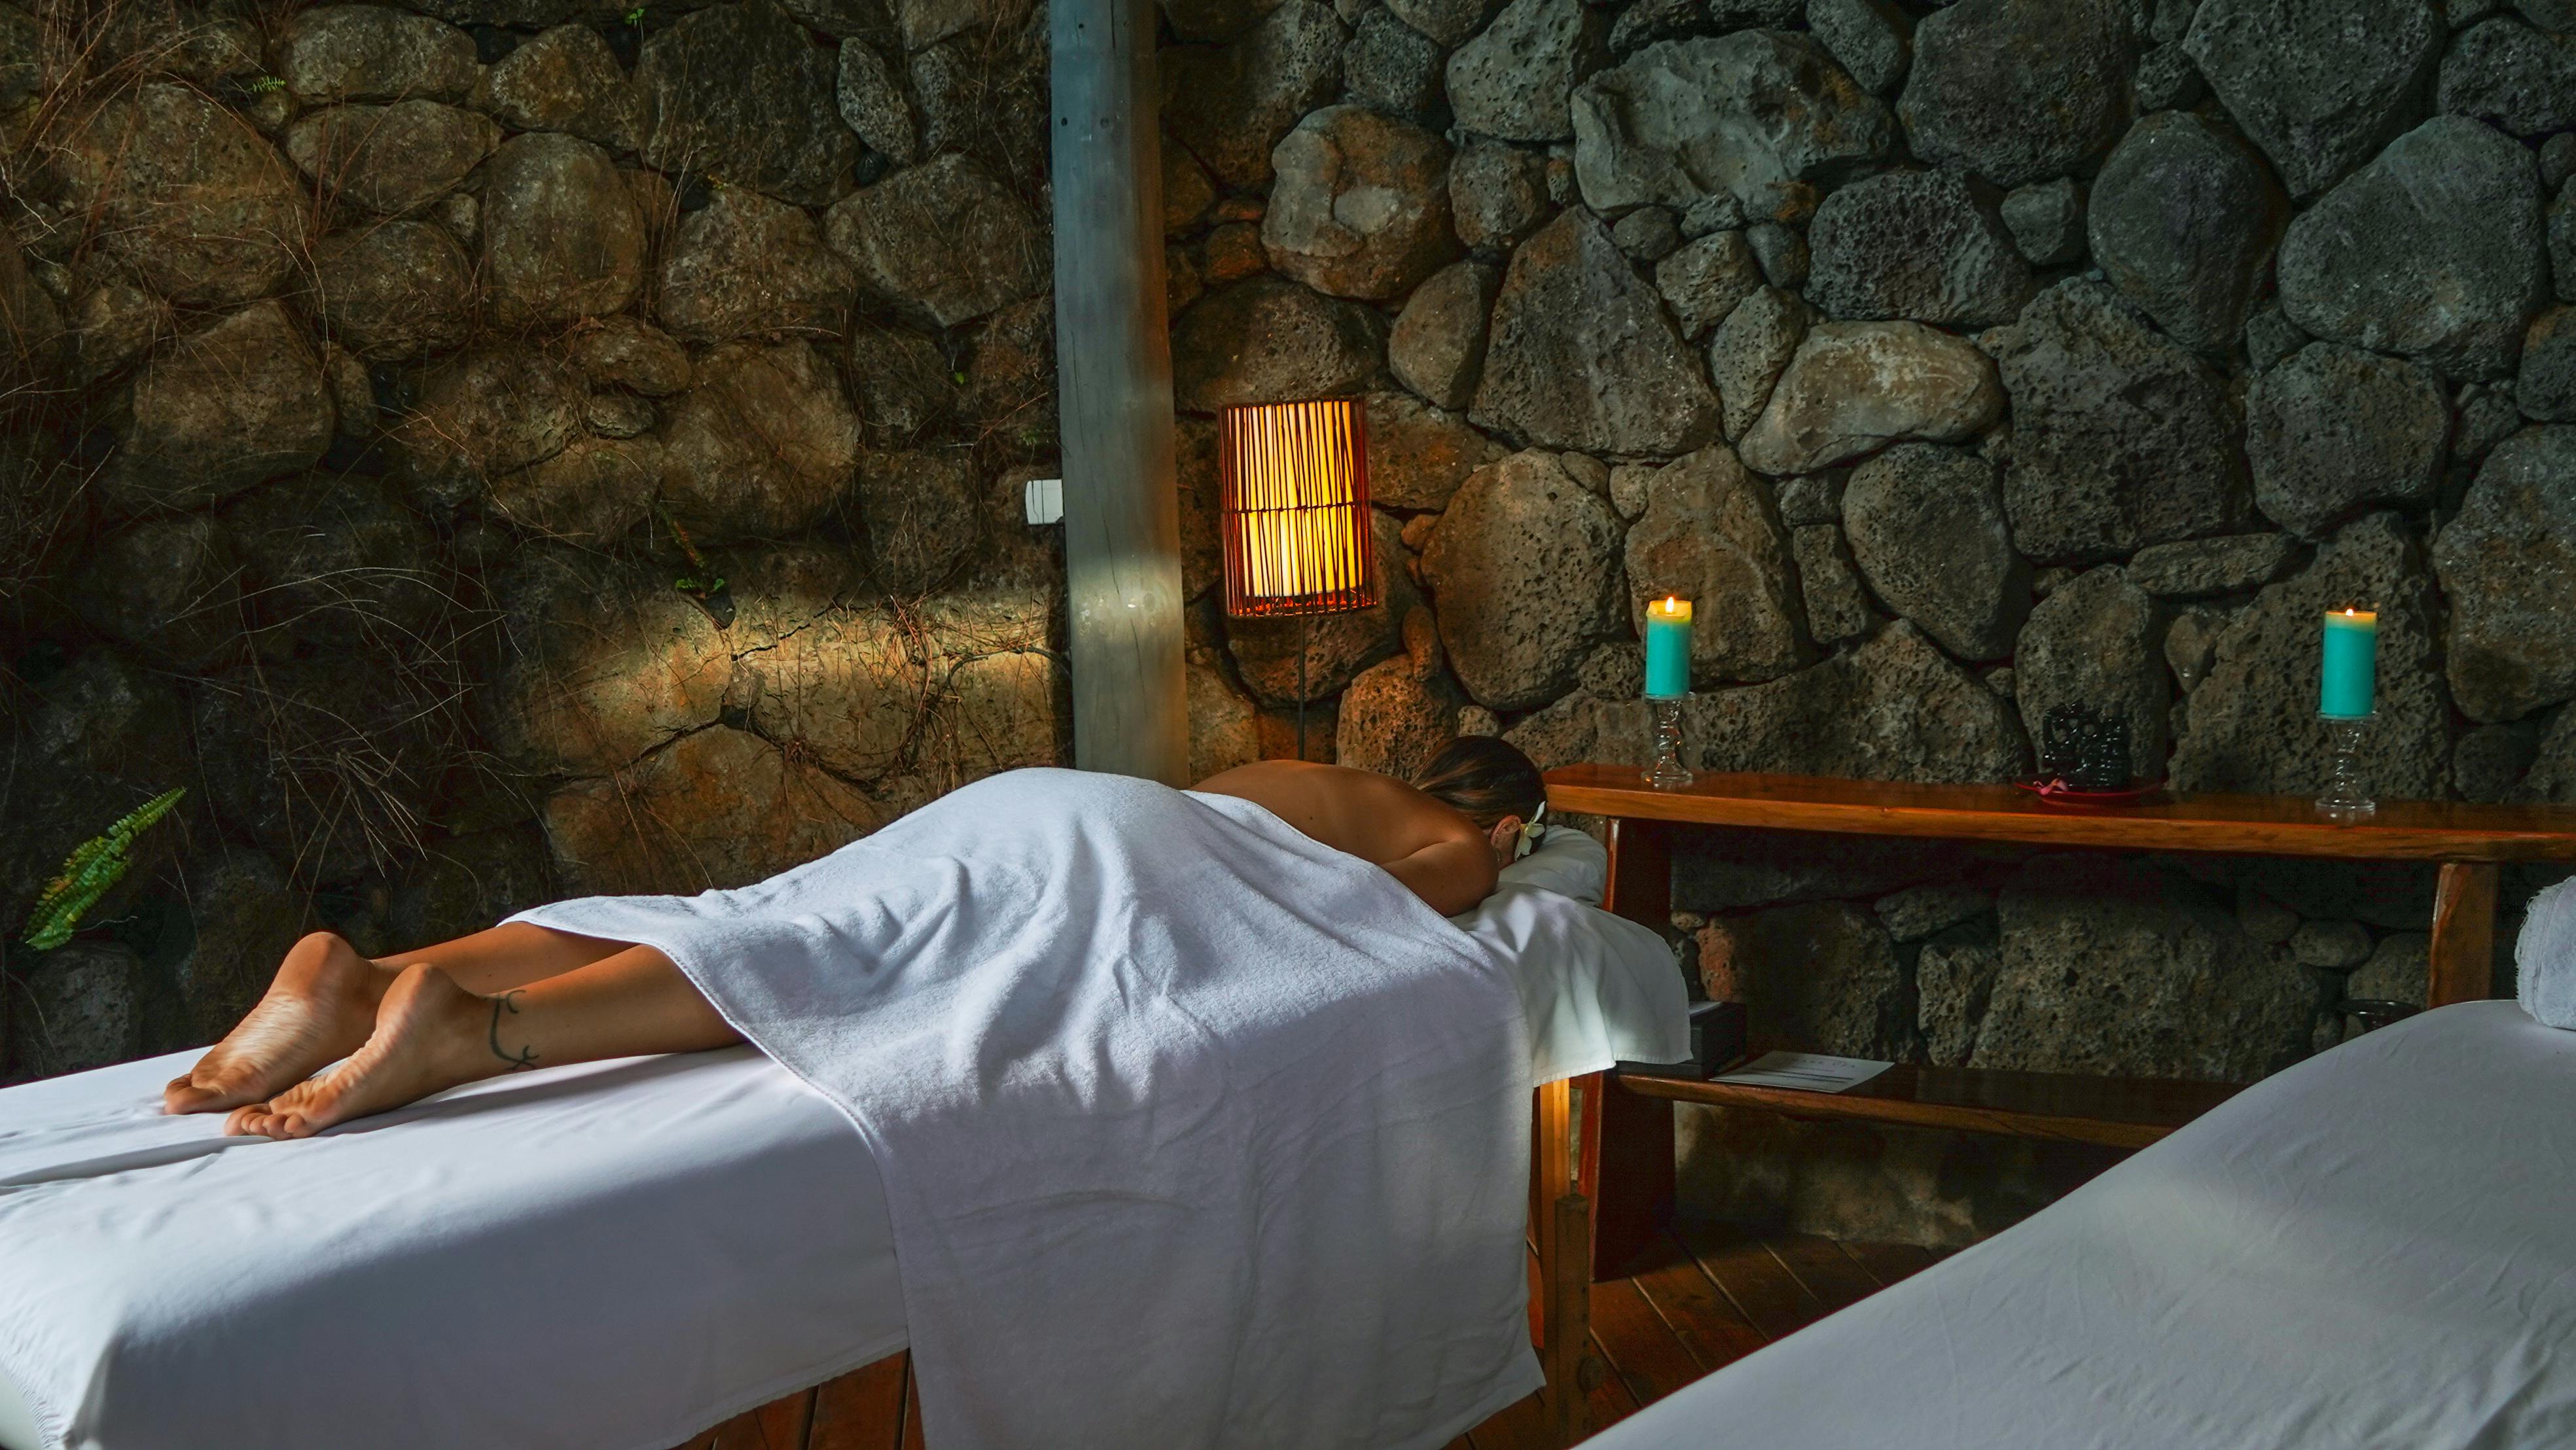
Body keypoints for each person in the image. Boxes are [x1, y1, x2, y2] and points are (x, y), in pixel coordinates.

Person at [164, 737, 1548, 1141]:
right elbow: (1409, 895)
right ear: (1504, 808)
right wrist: (1490, 859)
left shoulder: (1309, 768)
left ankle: (367, 979)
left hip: (1045, 800)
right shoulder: (1459, 831)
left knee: (771, 915)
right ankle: (476, 1032)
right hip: (1124, 852)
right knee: (839, 965)